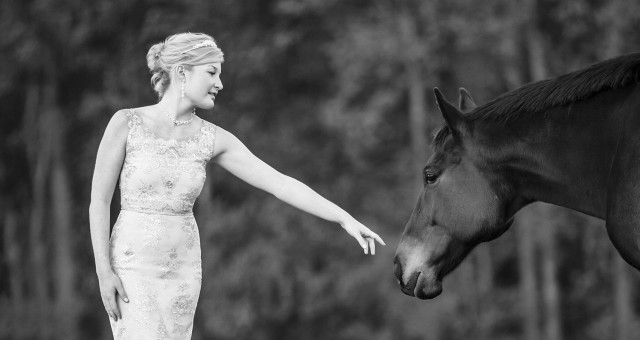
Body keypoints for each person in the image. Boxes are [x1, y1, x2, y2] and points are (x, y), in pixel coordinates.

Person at [89, 32, 385, 339]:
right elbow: (99, 199)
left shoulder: (213, 139)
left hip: (182, 272)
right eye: (212, 73)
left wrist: (342, 217)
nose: (220, 84)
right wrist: (103, 271)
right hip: (132, 266)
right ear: (181, 72)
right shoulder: (126, 123)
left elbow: (279, 184)